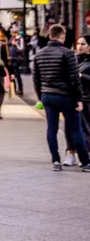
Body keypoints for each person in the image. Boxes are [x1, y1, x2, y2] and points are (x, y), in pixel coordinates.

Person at [32, 24, 90, 171]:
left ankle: (56, 161)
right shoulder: (67, 54)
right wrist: (78, 99)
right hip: (65, 96)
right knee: (75, 128)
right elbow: (74, 79)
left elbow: (36, 79)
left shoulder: (39, 54)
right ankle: (85, 161)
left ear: (49, 36)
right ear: (62, 37)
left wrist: (41, 96)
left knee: (52, 128)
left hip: (47, 95)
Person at [78, 35, 90, 146]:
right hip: (80, 98)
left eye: (83, 44)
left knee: (87, 127)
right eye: (78, 44)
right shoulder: (78, 59)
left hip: (87, 98)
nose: (79, 46)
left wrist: (82, 76)